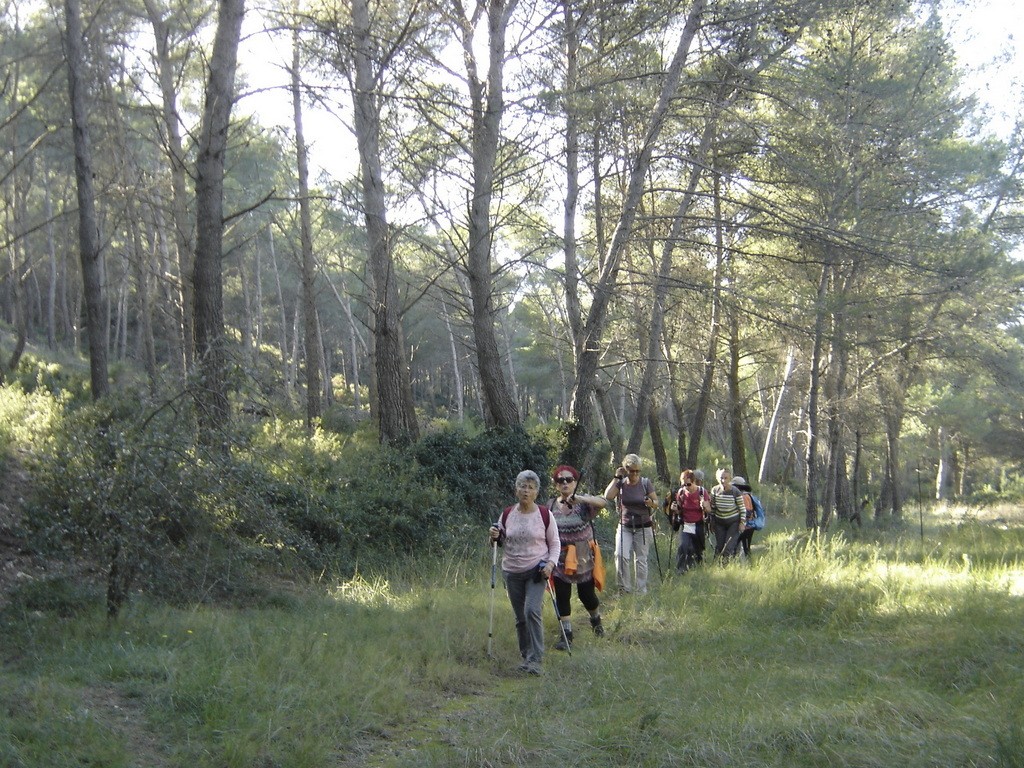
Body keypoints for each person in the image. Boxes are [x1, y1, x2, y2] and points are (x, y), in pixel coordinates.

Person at [489, 470, 561, 675]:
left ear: (537, 492)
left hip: (537, 570)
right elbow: (498, 541)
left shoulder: (545, 515)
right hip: (511, 571)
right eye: (522, 486)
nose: (526, 491)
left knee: (532, 610)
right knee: (520, 617)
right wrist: (493, 534)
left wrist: (550, 564)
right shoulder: (507, 513)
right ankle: (526, 656)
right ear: (516, 489)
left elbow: (555, 544)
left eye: (530, 487)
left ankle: (537, 659)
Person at [547, 465, 608, 650]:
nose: (564, 483)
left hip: (582, 555)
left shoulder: (583, 503)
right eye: (560, 480)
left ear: (575, 482)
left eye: (568, 480)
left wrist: (580, 498)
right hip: (560, 556)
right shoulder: (550, 505)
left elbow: (603, 502)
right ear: (556, 485)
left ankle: (596, 621)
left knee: (586, 594)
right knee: (562, 595)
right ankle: (566, 635)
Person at [604, 454, 658, 594]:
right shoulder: (621, 483)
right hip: (625, 526)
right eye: (632, 470)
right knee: (621, 555)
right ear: (625, 469)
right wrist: (617, 477)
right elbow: (608, 496)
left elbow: (656, 502)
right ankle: (624, 589)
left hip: (643, 527)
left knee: (641, 560)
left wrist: (651, 503)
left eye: (637, 471)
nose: (635, 474)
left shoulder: (645, 483)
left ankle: (641, 591)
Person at [670, 469, 710, 573]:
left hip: (698, 524)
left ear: (693, 481)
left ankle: (699, 568)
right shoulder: (681, 492)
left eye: (688, 484)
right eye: (683, 484)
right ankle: (681, 570)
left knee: (698, 549)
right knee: (684, 546)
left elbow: (709, 509)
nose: (686, 487)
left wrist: (704, 506)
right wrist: (675, 509)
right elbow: (679, 510)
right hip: (686, 523)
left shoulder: (701, 492)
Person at [709, 467, 743, 561]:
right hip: (719, 522)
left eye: (725, 478)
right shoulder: (715, 490)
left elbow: (742, 509)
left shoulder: (735, 491)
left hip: (733, 523)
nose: (723, 480)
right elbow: (713, 508)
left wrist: (742, 522)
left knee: (728, 547)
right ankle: (716, 566)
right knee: (719, 547)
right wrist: (712, 522)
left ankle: (726, 567)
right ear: (717, 478)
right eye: (721, 478)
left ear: (730, 478)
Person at [732, 476, 764, 558]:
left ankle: (747, 564)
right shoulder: (748, 496)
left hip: (746, 526)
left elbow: (747, 512)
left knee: (739, 546)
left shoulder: (744, 497)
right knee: (744, 547)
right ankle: (747, 563)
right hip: (749, 526)